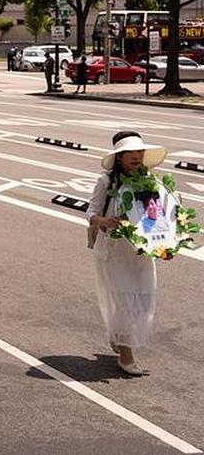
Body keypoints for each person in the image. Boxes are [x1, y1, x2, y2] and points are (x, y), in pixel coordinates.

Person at [87, 131, 168, 376]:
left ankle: (118, 336)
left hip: (141, 251)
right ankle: (126, 356)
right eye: (129, 152)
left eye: (139, 152)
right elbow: (91, 212)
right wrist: (103, 221)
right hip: (114, 250)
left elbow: (159, 216)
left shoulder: (151, 181)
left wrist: (166, 241)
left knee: (143, 302)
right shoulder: (106, 182)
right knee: (125, 302)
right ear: (119, 157)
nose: (136, 156)